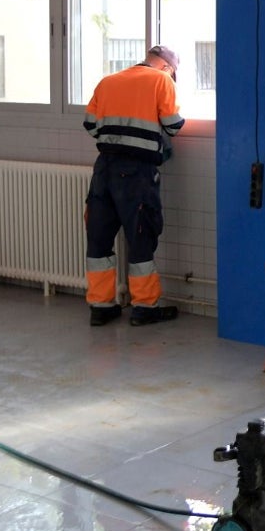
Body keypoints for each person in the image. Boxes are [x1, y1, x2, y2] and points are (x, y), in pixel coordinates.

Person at [83, 46, 185, 327]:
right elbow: (173, 125)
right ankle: (144, 306)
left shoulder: (108, 81)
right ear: (167, 68)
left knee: (99, 238)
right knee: (141, 236)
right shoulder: (161, 81)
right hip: (137, 172)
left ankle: (101, 306)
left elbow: (91, 125)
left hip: (103, 168)